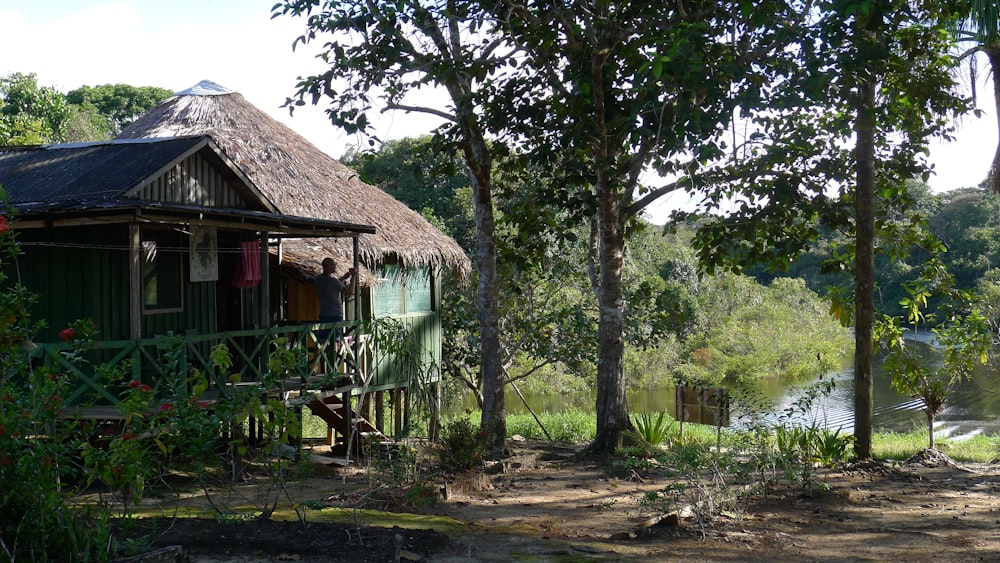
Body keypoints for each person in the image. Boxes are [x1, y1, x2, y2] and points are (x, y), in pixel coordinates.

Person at [315, 257, 355, 343]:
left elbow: (331, 285)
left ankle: (316, 356)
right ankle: (334, 356)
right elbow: (350, 291)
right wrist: (353, 278)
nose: (335, 266)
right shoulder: (333, 281)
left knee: (321, 340)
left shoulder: (318, 279)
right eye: (333, 264)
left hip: (324, 314)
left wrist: (343, 278)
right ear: (328, 266)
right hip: (335, 314)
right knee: (335, 340)